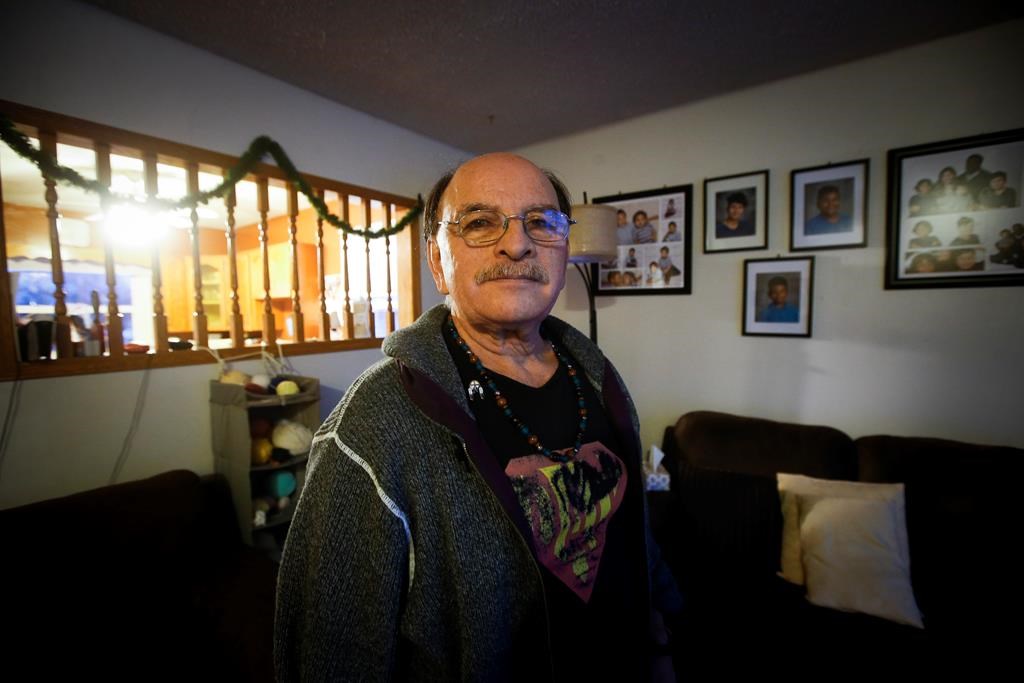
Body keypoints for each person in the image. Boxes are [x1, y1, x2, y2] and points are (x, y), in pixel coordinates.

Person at [274, 153, 681, 681]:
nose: (517, 244)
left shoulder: (599, 376)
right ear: (438, 261)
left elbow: (630, 531)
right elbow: (330, 646)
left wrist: (660, 640)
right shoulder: (372, 421)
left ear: (563, 250)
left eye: (541, 221)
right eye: (480, 223)